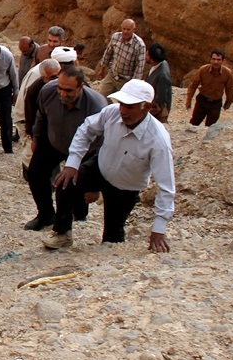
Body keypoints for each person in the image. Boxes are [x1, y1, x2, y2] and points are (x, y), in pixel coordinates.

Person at [52, 80, 176, 252]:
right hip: (100, 167)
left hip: (125, 187)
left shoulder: (158, 141)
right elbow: (86, 129)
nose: (123, 111)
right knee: (65, 183)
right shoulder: (112, 113)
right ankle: (62, 233)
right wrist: (72, 163)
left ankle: (107, 259)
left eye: (130, 106)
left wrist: (159, 230)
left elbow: (166, 187)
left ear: (146, 107)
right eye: (122, 104)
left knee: (113, 236)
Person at [25, 66, 107, 235]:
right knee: (35, 173)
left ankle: (79, 213)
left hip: (86, 149)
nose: (62, 94)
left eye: (68, 90)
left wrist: (94, 184)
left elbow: (102, 143)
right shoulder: (47, 92)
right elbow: (41, 115)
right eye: (60, 88)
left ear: (81, 87)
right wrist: (36, 138)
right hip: (53, 141)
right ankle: (46, 214)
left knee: (76, 187)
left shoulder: (96, 105)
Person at [96, 18, 146, 97]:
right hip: (112, 75)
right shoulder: (116, 37)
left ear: (134, 30)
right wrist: (102, 68)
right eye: (124, 29)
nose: (125, 32)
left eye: (128, 29)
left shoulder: (139, 45)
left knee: (121, 104)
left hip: (126, 81)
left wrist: (133, 86)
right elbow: (108, 53)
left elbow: (139, 68)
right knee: (102, 98)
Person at [184, 49, 233, 126]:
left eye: (218, 60)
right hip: (202, 101)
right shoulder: (203, 70)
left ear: (223, 61)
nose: (216, 62)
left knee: (211, 127)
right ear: (210, 59)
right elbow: (193, 85)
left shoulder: (227, 73)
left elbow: (230, 88)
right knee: (194, 123)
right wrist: (188, 100)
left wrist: (228, 102)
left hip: (216, 104)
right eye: (214, 59)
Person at [145, 43, 173, 123]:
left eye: (147, 55)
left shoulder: (162, 75)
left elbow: (160, 100)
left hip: (156, 112)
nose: (145, 55)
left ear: (152, 59)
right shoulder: (160, 63)